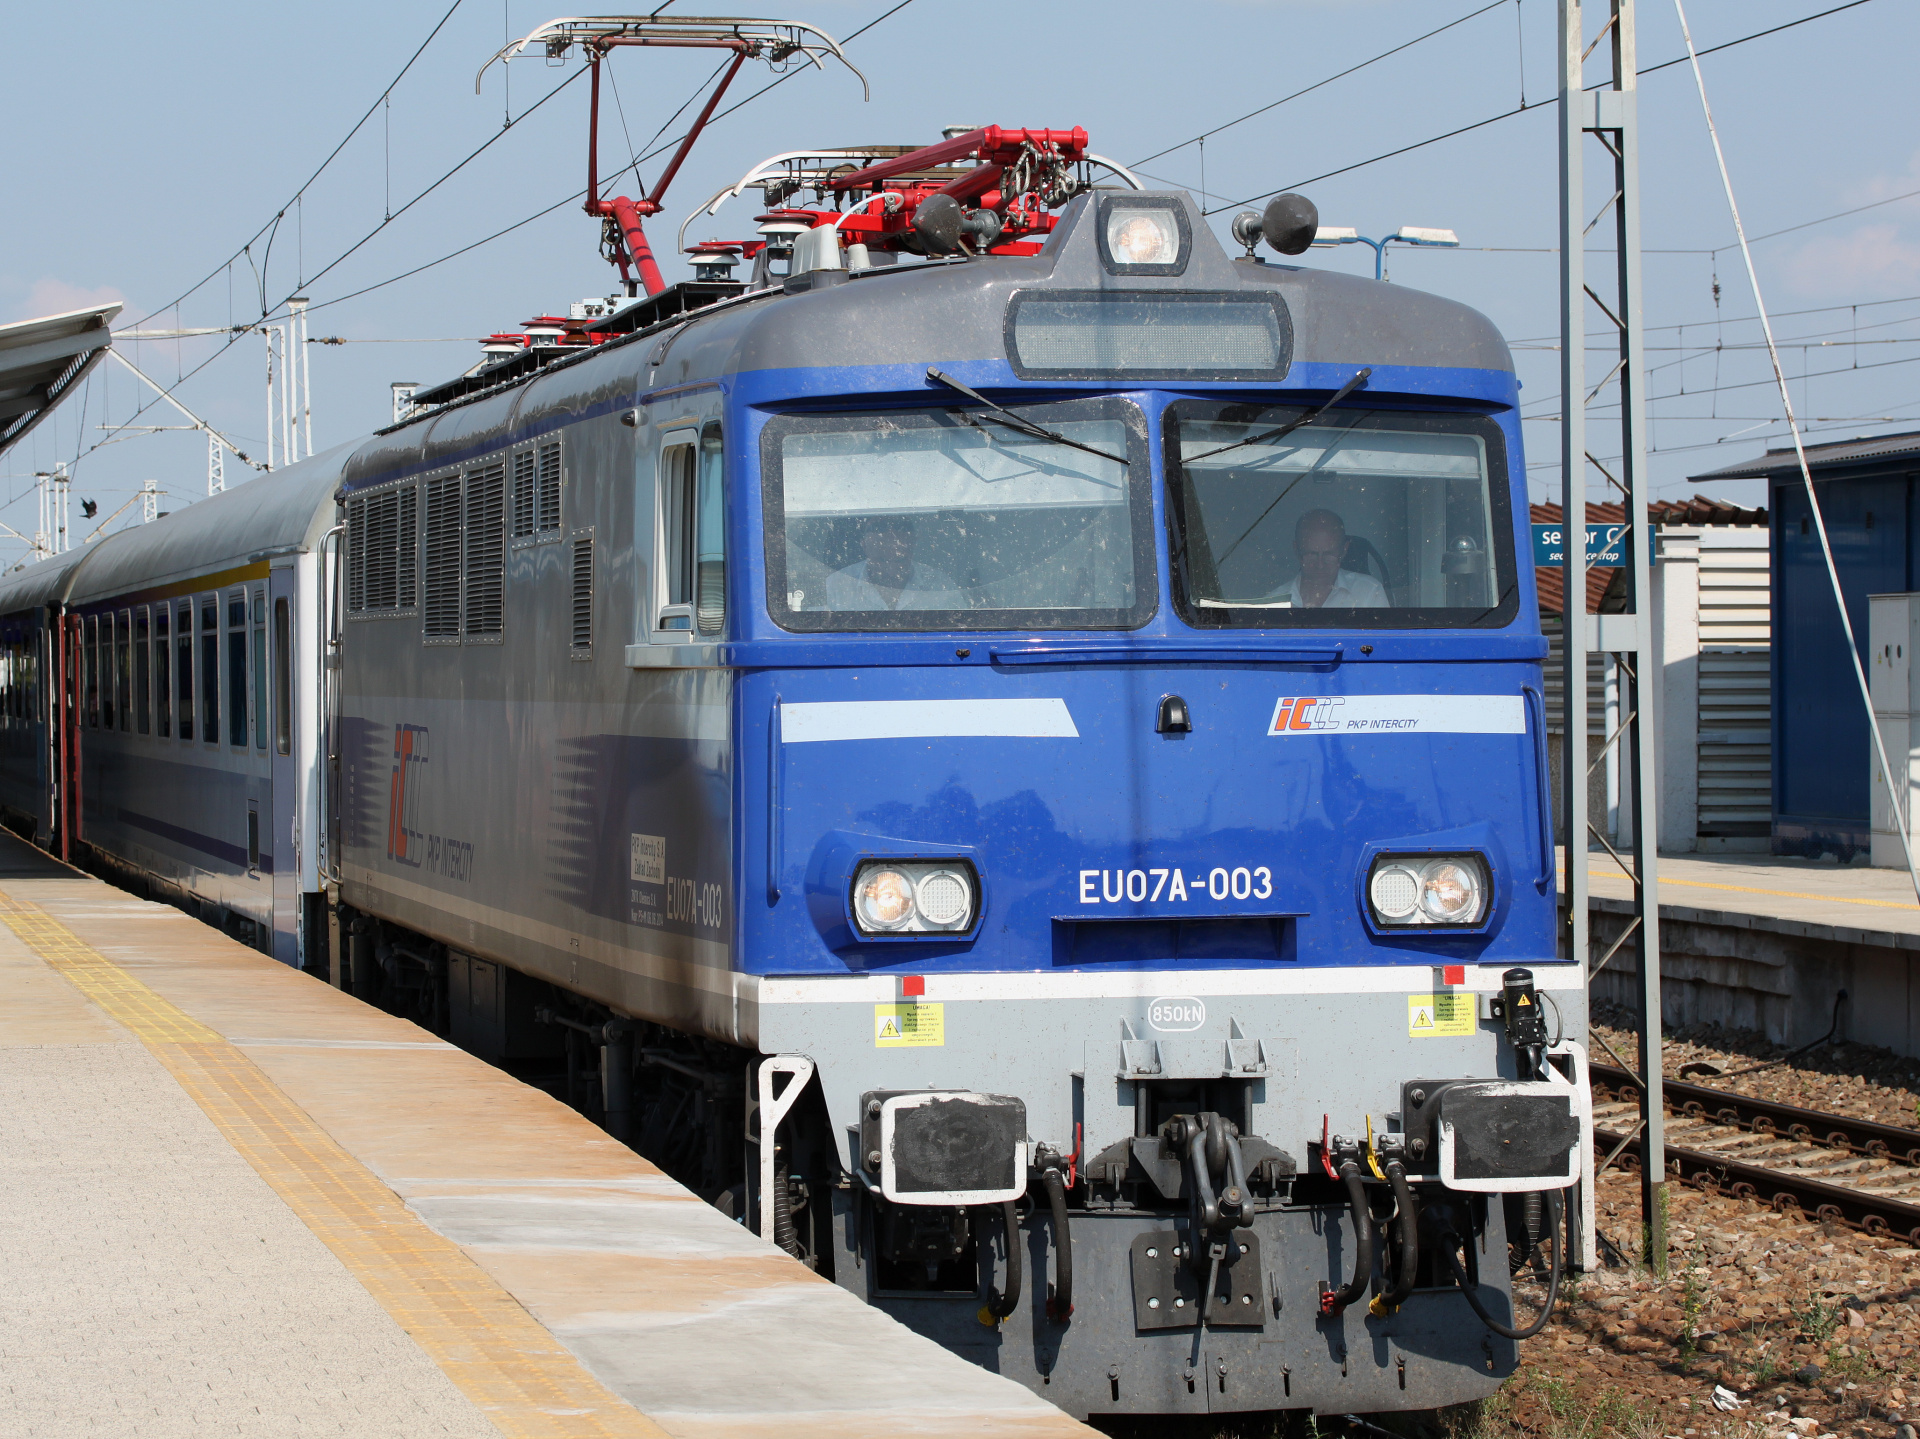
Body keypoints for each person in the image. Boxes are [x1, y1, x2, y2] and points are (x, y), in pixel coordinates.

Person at [817, 515, 965, 611]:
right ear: (863, 542)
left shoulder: (940, 586)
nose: (890, 534)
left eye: (901, 527)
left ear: (913, 540)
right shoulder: (836, 586)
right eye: (879, 528)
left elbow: (961, 637)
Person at [1271, 509, 1389, 608]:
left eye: (1329, 555)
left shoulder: (1370, 592)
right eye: (1311, 554)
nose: (1320, 564)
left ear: (1344, 550)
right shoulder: (1274, 604)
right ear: (1296, 550)